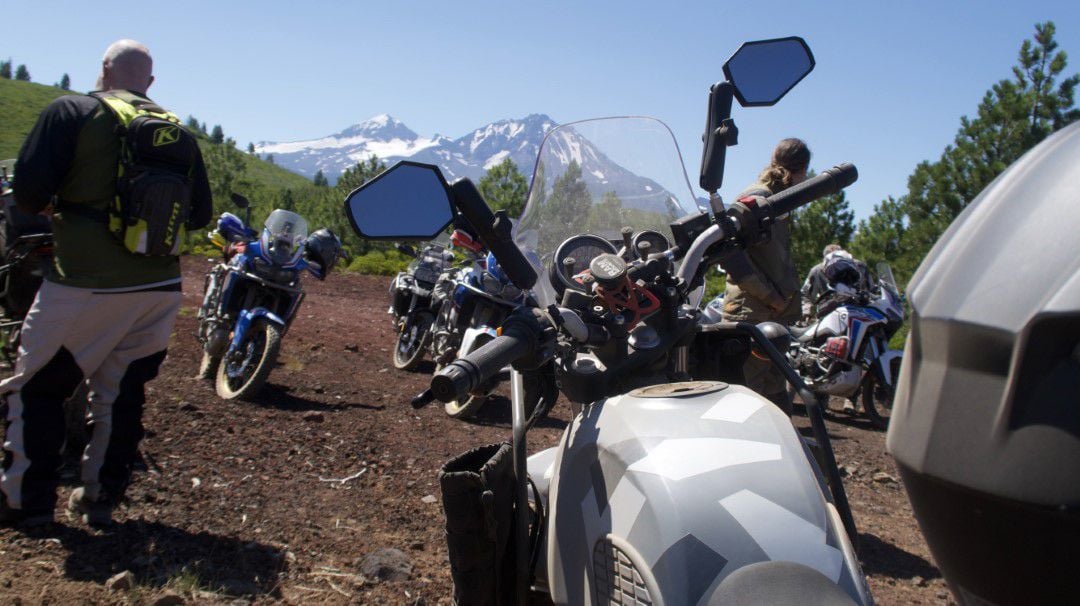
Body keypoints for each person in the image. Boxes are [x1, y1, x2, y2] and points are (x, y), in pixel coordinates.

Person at [0, 39, 212, 527]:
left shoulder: (72, 111)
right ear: (150, 83)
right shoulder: (177, 128)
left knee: (37, 389)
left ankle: (24, 503)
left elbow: (28, 192)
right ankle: (101, 499)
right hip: (159, 288)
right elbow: (199, 213)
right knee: (122, 395)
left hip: (84, 282)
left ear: (103, 71)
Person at [721, 138, 809, 413]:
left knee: (774, 392)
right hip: (755, 310)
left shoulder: (777, 199)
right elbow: (732, 256)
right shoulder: (758, 199)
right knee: (745, 393)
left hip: (772, 311)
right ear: (801, 169)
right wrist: (771, 296)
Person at [800, 244, 871, 319]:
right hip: (829, 315)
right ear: (825, 259)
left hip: (861, 310)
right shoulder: (816, 271)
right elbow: (805, 295)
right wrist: (806, 311)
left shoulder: (859, 266)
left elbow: (872, 289)